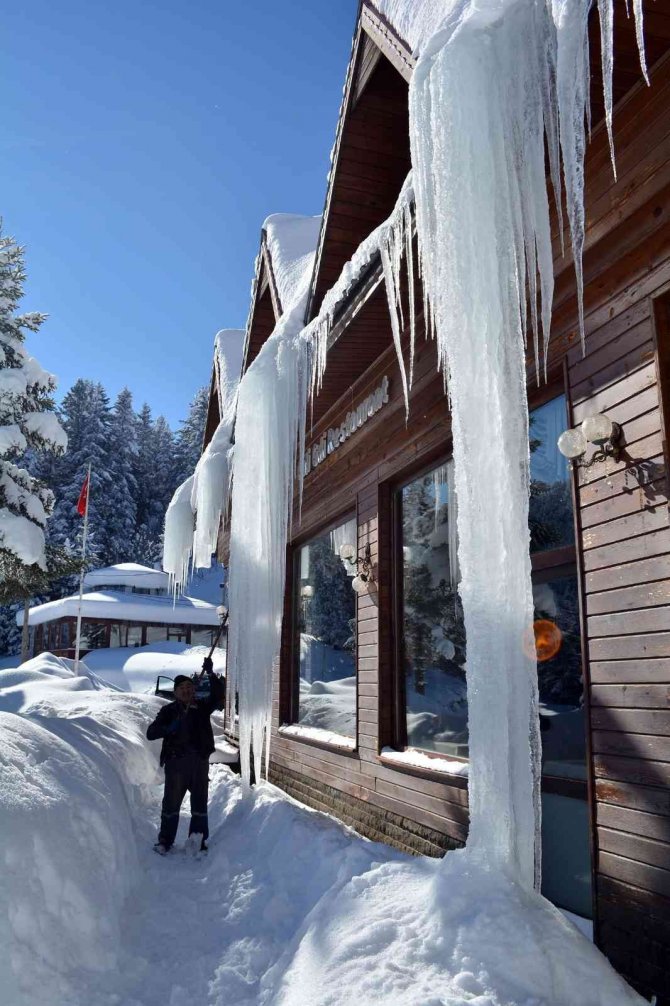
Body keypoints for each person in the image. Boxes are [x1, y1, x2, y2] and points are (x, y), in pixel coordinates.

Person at [146, 656, 225, 855]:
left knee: (199, 803)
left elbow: (219, 695)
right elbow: (151, 733)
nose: (187, 691)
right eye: (182, 688)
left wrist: (210, 673)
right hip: (176, 764)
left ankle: (198, 840)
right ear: (176, 692)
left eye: (190, 688)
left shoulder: (201, 707)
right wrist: (169, 727)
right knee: (171, 804)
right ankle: (165, 840)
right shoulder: (168, 710)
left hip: (199, 762)